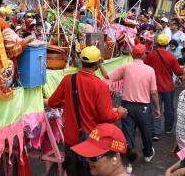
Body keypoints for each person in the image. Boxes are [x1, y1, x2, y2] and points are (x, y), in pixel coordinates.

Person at [46, 46, 126, 176]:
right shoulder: (100, 85)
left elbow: (52, 102)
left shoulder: (68, 79)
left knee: (73, 172)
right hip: (91, 141)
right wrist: (119, 113)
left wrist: (68, 102)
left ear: (80, 60)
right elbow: (107, 116)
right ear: (98, 63)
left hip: (70, 139)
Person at [100, 44, 160, 162]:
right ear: (144, 55)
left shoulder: (126, 67)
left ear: (132, 54)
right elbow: (154, 92)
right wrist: (157, 108)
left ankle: (129, 156)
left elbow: (108, 76)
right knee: (146, 131)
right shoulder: (150, 70)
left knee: (127, 132)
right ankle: (148, 154)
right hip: (144, 107)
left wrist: (100, 64)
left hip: (126, 105)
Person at [144, 34, 183, 140]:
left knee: (155, 109)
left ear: (156, 43)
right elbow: (179, 72)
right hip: (168, 87)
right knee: (169, 109)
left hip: (154, 87)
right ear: (167, 44)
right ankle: (168, 129)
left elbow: (145, 67)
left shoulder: (151, 55)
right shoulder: (171, 56)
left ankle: (156, 132)